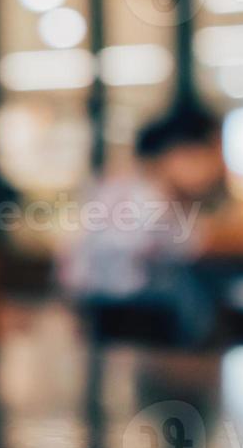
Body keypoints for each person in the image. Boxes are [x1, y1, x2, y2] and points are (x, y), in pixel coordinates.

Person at [58, 107, 222, 343]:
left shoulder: (121, 186)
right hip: (131, 316)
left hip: (99, 311)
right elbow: (197, 244)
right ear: (177, 154)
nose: (217, 168)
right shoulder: (149, 197)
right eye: (210, 154)